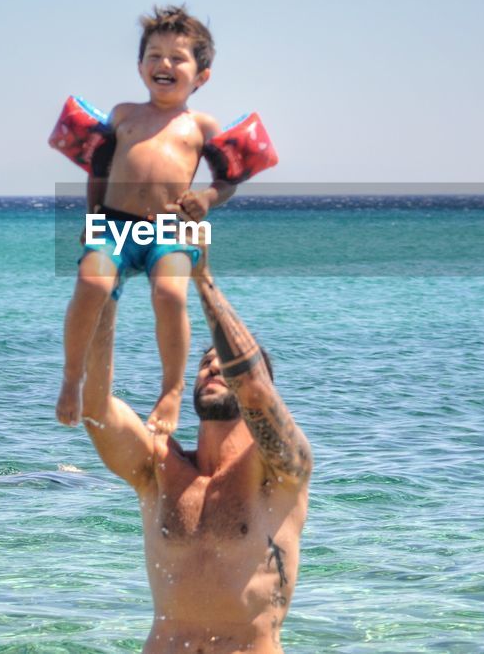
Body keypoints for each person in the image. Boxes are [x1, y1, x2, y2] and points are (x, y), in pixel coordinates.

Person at [80, 248, 311, 653]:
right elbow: (95, 408)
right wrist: (106, 288)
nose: (212, 367)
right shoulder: (159, 468)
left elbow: (255, 389)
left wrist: (202, 280)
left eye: (225, 362)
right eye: (205, 362)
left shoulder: (280, 473)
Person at [57, 5, 236, 435]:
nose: (164, 64)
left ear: (202, 76)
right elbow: (98, 169)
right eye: (154, 55)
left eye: (178, 58)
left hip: (170, 228)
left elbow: (228, 179)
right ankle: (71, 379)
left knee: (171, 296)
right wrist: (91, 217)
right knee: (90, 285)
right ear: (140, 66)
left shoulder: (202, 126)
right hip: (115, 224)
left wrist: (208, 199)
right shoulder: (123, 115)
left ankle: (171, 391)